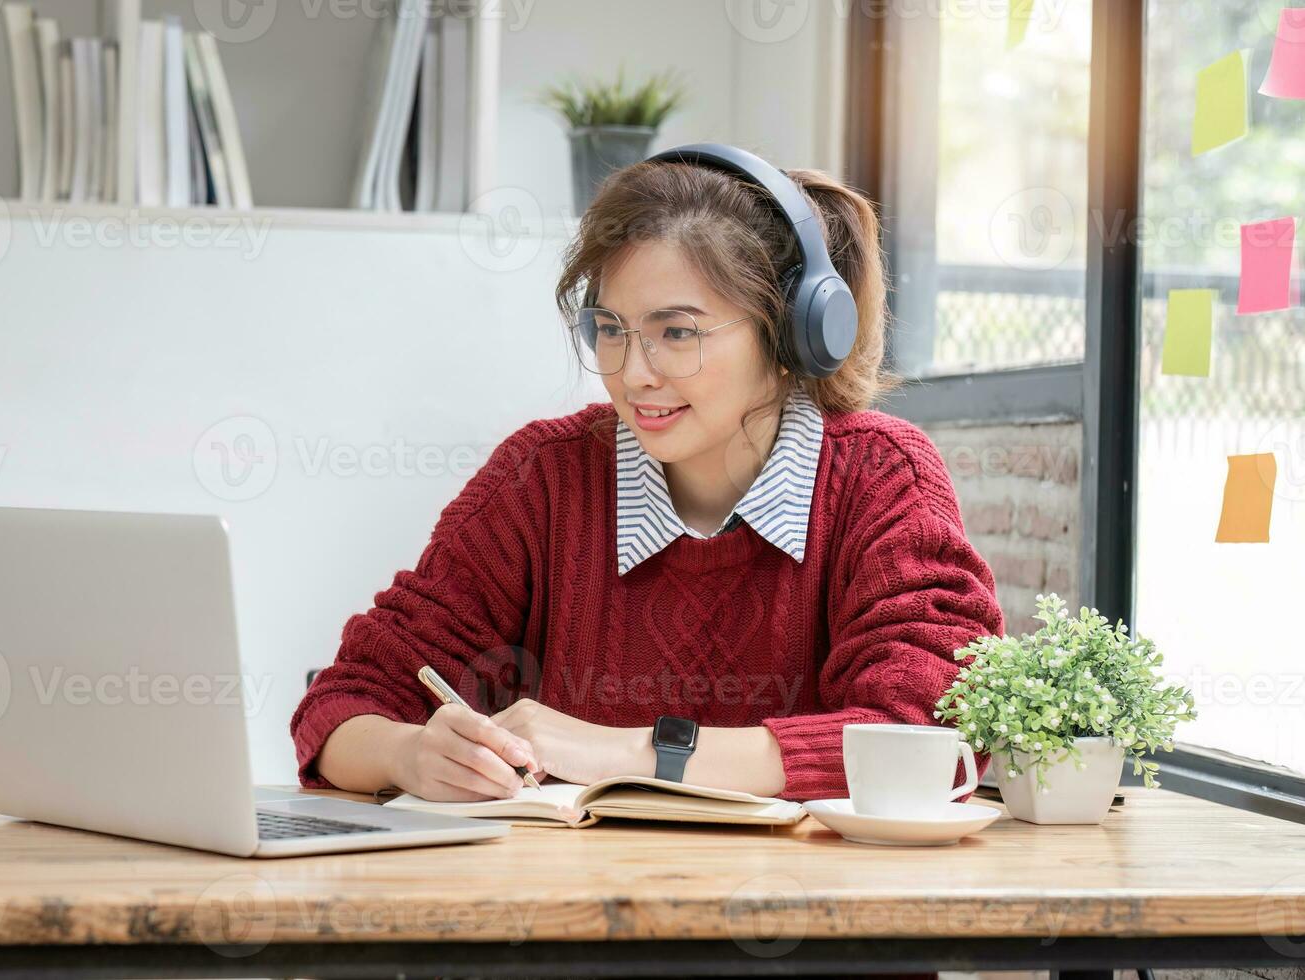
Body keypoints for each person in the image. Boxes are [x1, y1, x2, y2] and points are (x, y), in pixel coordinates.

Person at [290, 149, 1004, 809]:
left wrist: (627, 753)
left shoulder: (882, 477)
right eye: (610, 328)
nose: (632, 374)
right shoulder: (542, 478)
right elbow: (345, 703)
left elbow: (929, 741)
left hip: (817, 926)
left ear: (790, 334)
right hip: (577, 927)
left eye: (677, 332)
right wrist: (411, 752)